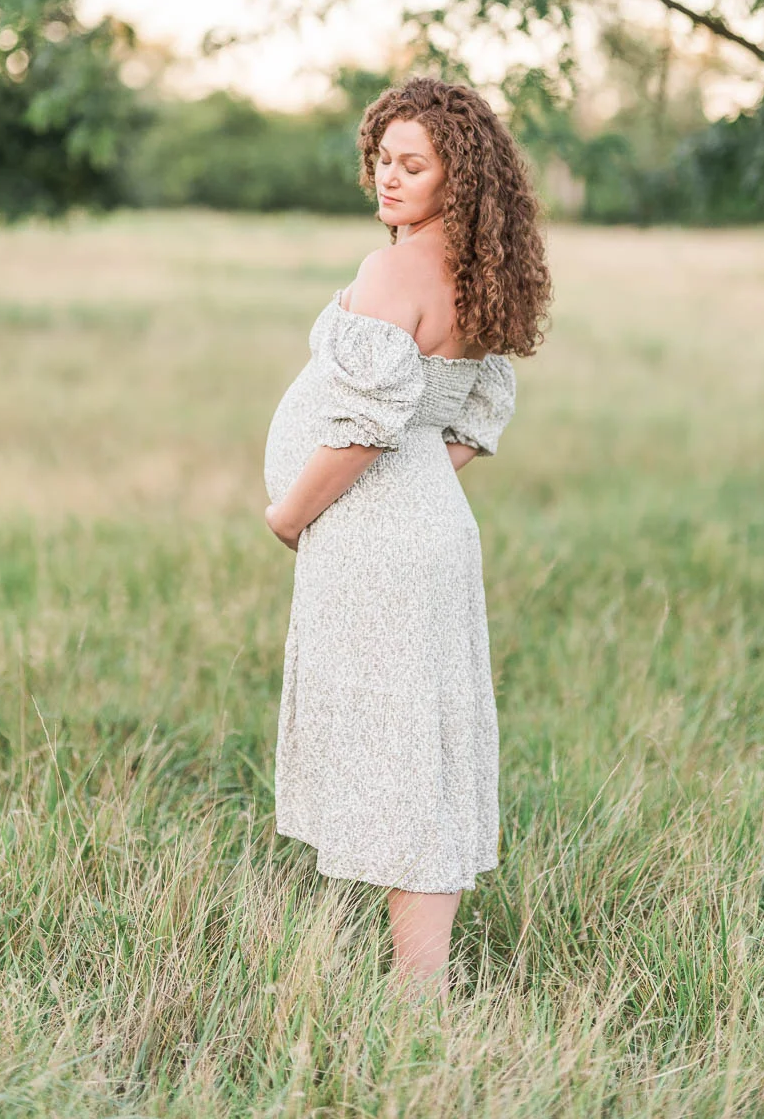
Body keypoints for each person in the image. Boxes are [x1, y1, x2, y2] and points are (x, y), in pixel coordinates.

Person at [262, 75, 552, 1005]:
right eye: (382, 159)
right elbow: (462, 425)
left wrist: (291, 513)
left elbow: (358, 430)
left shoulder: (396, 271)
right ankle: (419, 978)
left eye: (413, 165)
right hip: (426, 525)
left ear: (457, 178)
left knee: (400, 742)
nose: (389, 179)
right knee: (425, 738)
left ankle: (417, 990)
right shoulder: (480, 274)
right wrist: (411, 484)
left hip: (380, 537)